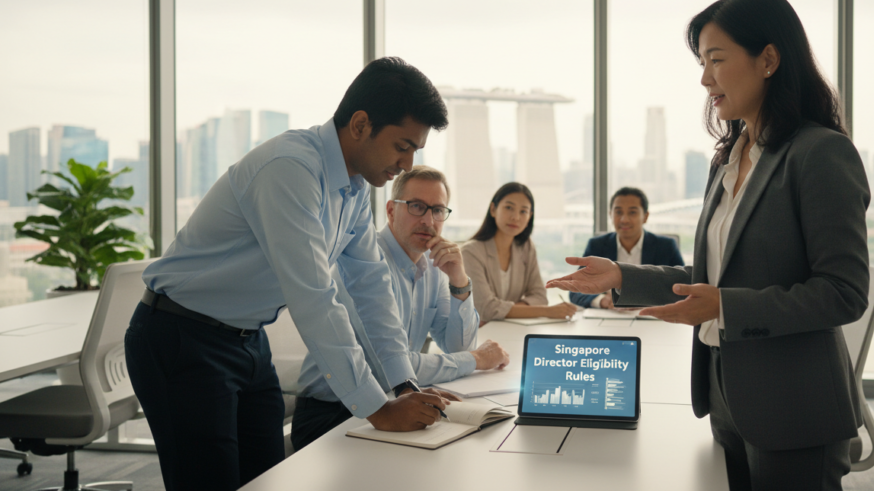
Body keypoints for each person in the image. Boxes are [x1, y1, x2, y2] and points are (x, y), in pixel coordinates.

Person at [547, 0, 870, 491]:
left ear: (768, 59)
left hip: (792, 407)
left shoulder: (819, 154)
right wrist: (622, 276)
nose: (704, 78)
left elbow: (844, 292)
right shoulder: (727, 159)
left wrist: (725, 307)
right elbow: (713, 277)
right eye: (702, 62)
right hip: (724, 391)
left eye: (716, 60)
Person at [125, 57, 454, 491]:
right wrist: (377, 408)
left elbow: (370, 286)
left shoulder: (353, 188)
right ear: (360, 125)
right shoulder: (291, 168)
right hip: (182, 336)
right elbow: (315, 296)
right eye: (402, 145)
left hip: (246, 340)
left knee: (267, 480)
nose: (408, 163)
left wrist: (402, 382)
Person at [290, 165, 511, 451]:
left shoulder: (432, 267)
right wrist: (477, 359)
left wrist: (459, 279)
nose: (429, 220)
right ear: (391, 210)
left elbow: (458, 345)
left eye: (438, 210)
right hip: (331, 412)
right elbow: (388, 367)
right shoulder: (365, 264)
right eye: (417, 206)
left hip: (393, 400)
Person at [462, 182, 577, 323]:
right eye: (509, 208)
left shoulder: (526, 248)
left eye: (523, 211)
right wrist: (547, 311)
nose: (515, 217)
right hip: (477, 334)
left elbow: (540, 296)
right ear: (493, 209)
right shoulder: (471, 252)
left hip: (511, 329)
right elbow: (486, 308)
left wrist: (506, 312)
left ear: (530, 216)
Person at [568, 186, 685, 308]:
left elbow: (683, 289)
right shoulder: (597, 246)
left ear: (645, 216)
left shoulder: (666, 247)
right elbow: (576, 290)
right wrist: (603, 301)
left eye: (632, 212)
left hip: (652, 319)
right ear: (610, 215)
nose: (624, 220)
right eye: (618, 212)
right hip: (608, 319)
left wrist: (645, 300)